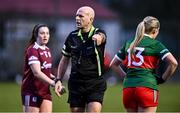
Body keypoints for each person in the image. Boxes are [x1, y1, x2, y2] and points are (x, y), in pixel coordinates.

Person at [110, 16, 178, 113]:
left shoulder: (129, 43)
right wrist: (162, 79)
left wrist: (126, 77)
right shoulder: (155, 44)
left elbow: (113, 64)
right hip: (147, 87)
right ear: (155, 31)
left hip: (128, 88)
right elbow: (173, 63)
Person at [55, 6, 107, 113]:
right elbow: (64, 59)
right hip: (76, 83)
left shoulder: (98, 32)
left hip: (95, 82)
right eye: (76, 16)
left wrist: (99, 38)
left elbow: (102, 36)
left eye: (81, 16)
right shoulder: (72, 36)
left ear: (91, 19)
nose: (77, 18)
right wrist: (58, 79)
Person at [21, 24, 56, 113]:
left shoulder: (47, 50)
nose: (45, 36)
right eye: (42, 33)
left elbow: (46, 72)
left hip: (45, 91)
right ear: (36, 35)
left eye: (47, 33)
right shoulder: (33, 50)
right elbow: (37, 72)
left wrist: (56, 79)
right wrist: (52, 83)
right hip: (32, 91)